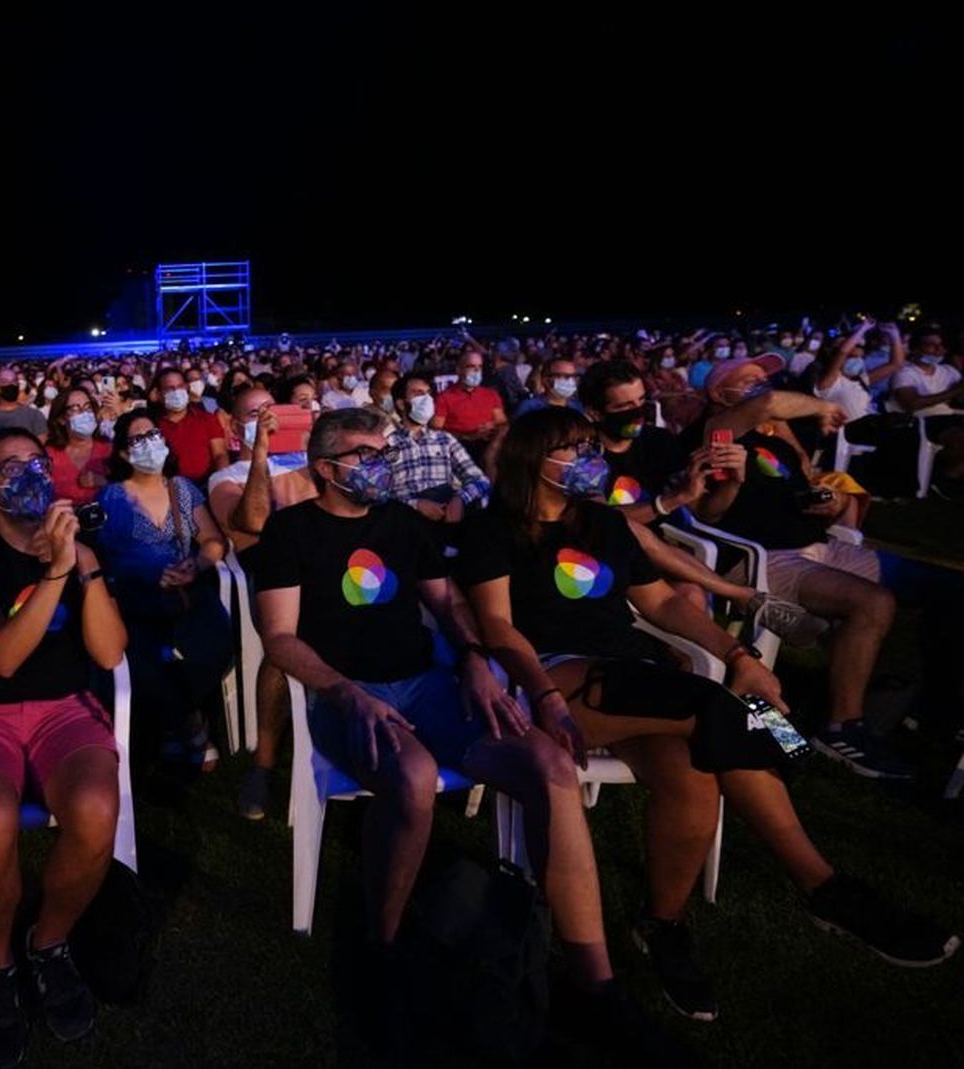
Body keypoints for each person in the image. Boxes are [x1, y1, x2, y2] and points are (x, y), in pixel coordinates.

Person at [457, 407, 958, 1022]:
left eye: (593, 446)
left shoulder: (604, 523)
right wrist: (545, 692)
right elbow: (499, 626)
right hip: (552, 673)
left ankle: (661, 925)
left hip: (627, 670)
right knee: (715, 705)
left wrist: (735, 651)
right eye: (576, 448)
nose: (593, 458)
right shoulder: (495, 531)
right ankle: (822, 882)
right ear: (536, 458)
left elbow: (661, 601)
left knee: (693, 767)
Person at [255, 407, 653, 1044]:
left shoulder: (404, 523)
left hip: (425, 682)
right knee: (411, 776)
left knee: (548, 766)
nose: (383, 465)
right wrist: (344, 692)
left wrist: (472, 658)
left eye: (385, 451)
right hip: (343, 693)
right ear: (327, 470)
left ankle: (593, 978)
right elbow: (278, 637)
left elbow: (447, 603)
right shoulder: (290, 532)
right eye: (368, 455)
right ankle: (380, 945)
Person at [0, 428, 127, 1067]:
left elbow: (107, 652)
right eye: (11, 469)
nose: (30, 475)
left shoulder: (79, 543)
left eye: (36, 463)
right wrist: (56, 573)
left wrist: (84, 566)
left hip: (63, 709)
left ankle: (49, 943)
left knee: (96, 808)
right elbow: (1, 657)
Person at [693, 356, 928, 777]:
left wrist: (829, 503)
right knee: (873, 603)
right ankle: (841, 730)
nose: (760, 384)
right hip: (764, 557)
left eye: (763, 378)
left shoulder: (778, 438)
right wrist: (820, 406)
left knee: (942, 586)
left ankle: (927, 708)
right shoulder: (716, 432)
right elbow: (765, 405)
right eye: (747, 380)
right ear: (719, 394)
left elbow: (804, 483)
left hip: (817, 544)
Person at [580, 361, 825, 644]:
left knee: (692, 596)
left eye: (641, 401)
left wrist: (735, 479)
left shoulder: (658, 442)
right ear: (595, 413)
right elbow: (601, 518)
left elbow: (707, 513)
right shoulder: (583, 453)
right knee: (625, 527)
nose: (637, 412)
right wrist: (669, 502)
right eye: (624, 408)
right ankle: (745, 601)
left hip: (661, 557)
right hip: (604, 557)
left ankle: (710, 670)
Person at [97, 411, 233, 768]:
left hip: (188, 592)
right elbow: (109, 555)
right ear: (125, 454)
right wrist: (149, 572)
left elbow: (212, 540)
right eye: (137, 439)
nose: (148, 443)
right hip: (138, 597)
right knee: (147, 657)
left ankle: (176, 721)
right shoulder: (113, 497)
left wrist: (197, 564)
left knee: (214, 646)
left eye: (152, 434)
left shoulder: (183, 489)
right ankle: (189, 722)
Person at [208, 385, 320, 817]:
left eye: (274, 411)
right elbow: (253, 521)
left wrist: (320, 439)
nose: (267, 419)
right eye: (255, 414)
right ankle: (264, 764)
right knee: (283, 640)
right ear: (236, 428)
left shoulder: (310, 464)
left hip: (322, 565)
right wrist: (261, 453)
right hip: (274, 574)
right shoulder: (227, 478)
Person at [386, 372, 490, 526]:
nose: (427, 399)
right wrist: (416, 504)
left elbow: (480, 480)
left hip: (446, 514)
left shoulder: (444, 440)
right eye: (418, 394)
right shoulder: (387, 444)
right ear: (401, 404)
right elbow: (378, 492)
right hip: (406, 520)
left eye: (428, 393)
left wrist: (460, 499)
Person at [889, 330, 964, 492]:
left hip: (949, 416)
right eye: (931, 345)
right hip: (922, 421)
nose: (938, 349)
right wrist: (954, 391)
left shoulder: (949, 371)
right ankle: (946, 478)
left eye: (941, 345)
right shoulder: (905, 373)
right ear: (915, 349)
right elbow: (912, 403)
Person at [150, 367, 228, 483]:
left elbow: (220, 454)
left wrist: (222, 481)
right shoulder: (152, 425)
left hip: (205, 485)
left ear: (186, 387)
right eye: (170, 388)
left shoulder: (207, 419)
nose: (176, 391)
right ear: (159, 394)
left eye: (180, 386)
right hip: (168, 489)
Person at [44, 388, 110, 506]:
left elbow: (132, 491)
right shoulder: (49, 455)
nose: (84, 413)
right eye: (75, 409)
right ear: (61, 419)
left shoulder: (109, 449)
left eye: (88, 407)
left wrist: (103, 481)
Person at [431, 349, 506, 450]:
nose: (477, 370)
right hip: (460, 447)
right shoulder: (444, 397)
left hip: (490, 446)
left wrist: (493, 427)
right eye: (471, 366)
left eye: (480, 367)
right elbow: (436, 430)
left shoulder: (491, 394)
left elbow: (502, 422)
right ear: (459, 370)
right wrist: (468, 436)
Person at [0, 367, 49, 439]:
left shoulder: (35, 415)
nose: (10, 385)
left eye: (14, 381)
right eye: (4, 381)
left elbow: (40, 444)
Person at [513, 355, 585, 417]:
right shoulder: (529, 408)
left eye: (574, 376)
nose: (571, 381)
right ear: (546, 380)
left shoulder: (577, 407)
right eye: (565, 376)